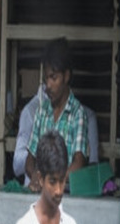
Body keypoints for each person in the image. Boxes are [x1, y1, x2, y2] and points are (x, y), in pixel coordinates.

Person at [25, 38, 89, 191]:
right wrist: (34, 174)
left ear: (66, 76)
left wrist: (53, 181)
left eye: (53, 78)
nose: (48, 85)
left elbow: (79, 164)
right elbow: (29, 159)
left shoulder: (77, 113)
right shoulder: (42, 111)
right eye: (46, 78)